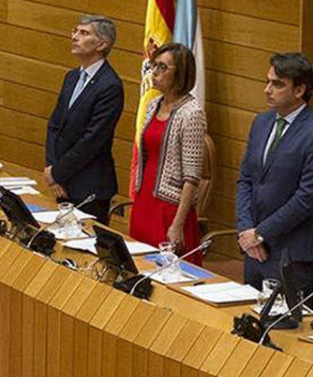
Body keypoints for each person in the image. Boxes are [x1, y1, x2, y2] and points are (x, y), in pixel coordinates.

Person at [236, 52, 313, 307]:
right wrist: (247, 231)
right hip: (254, 250)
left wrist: (261, 233)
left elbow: (307, 198)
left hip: (292, 255)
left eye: (277, 84)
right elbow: (246, 180)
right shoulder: (261, 123)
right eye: (268, 81)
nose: (267, 90)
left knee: (286, 333)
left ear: (300, 90)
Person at [130, 43, 206, 266]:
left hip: (170, 208)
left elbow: (192, 177)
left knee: (167, 272)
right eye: (154, 66)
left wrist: (177, 224)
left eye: (163, 67)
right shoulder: (154, 104)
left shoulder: (192, 113)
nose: (155, 72)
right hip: (144, 199)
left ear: (180, 73)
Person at [44, 15, 124, 225]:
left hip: (89, 186)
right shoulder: (71, 77)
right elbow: (54, 126)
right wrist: (51, 169)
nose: (74, 37)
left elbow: (92, 140)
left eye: (84, 33)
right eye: (75, 31)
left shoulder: (110, 86)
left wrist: (57, 173)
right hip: (62, 181)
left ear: (102, 44)